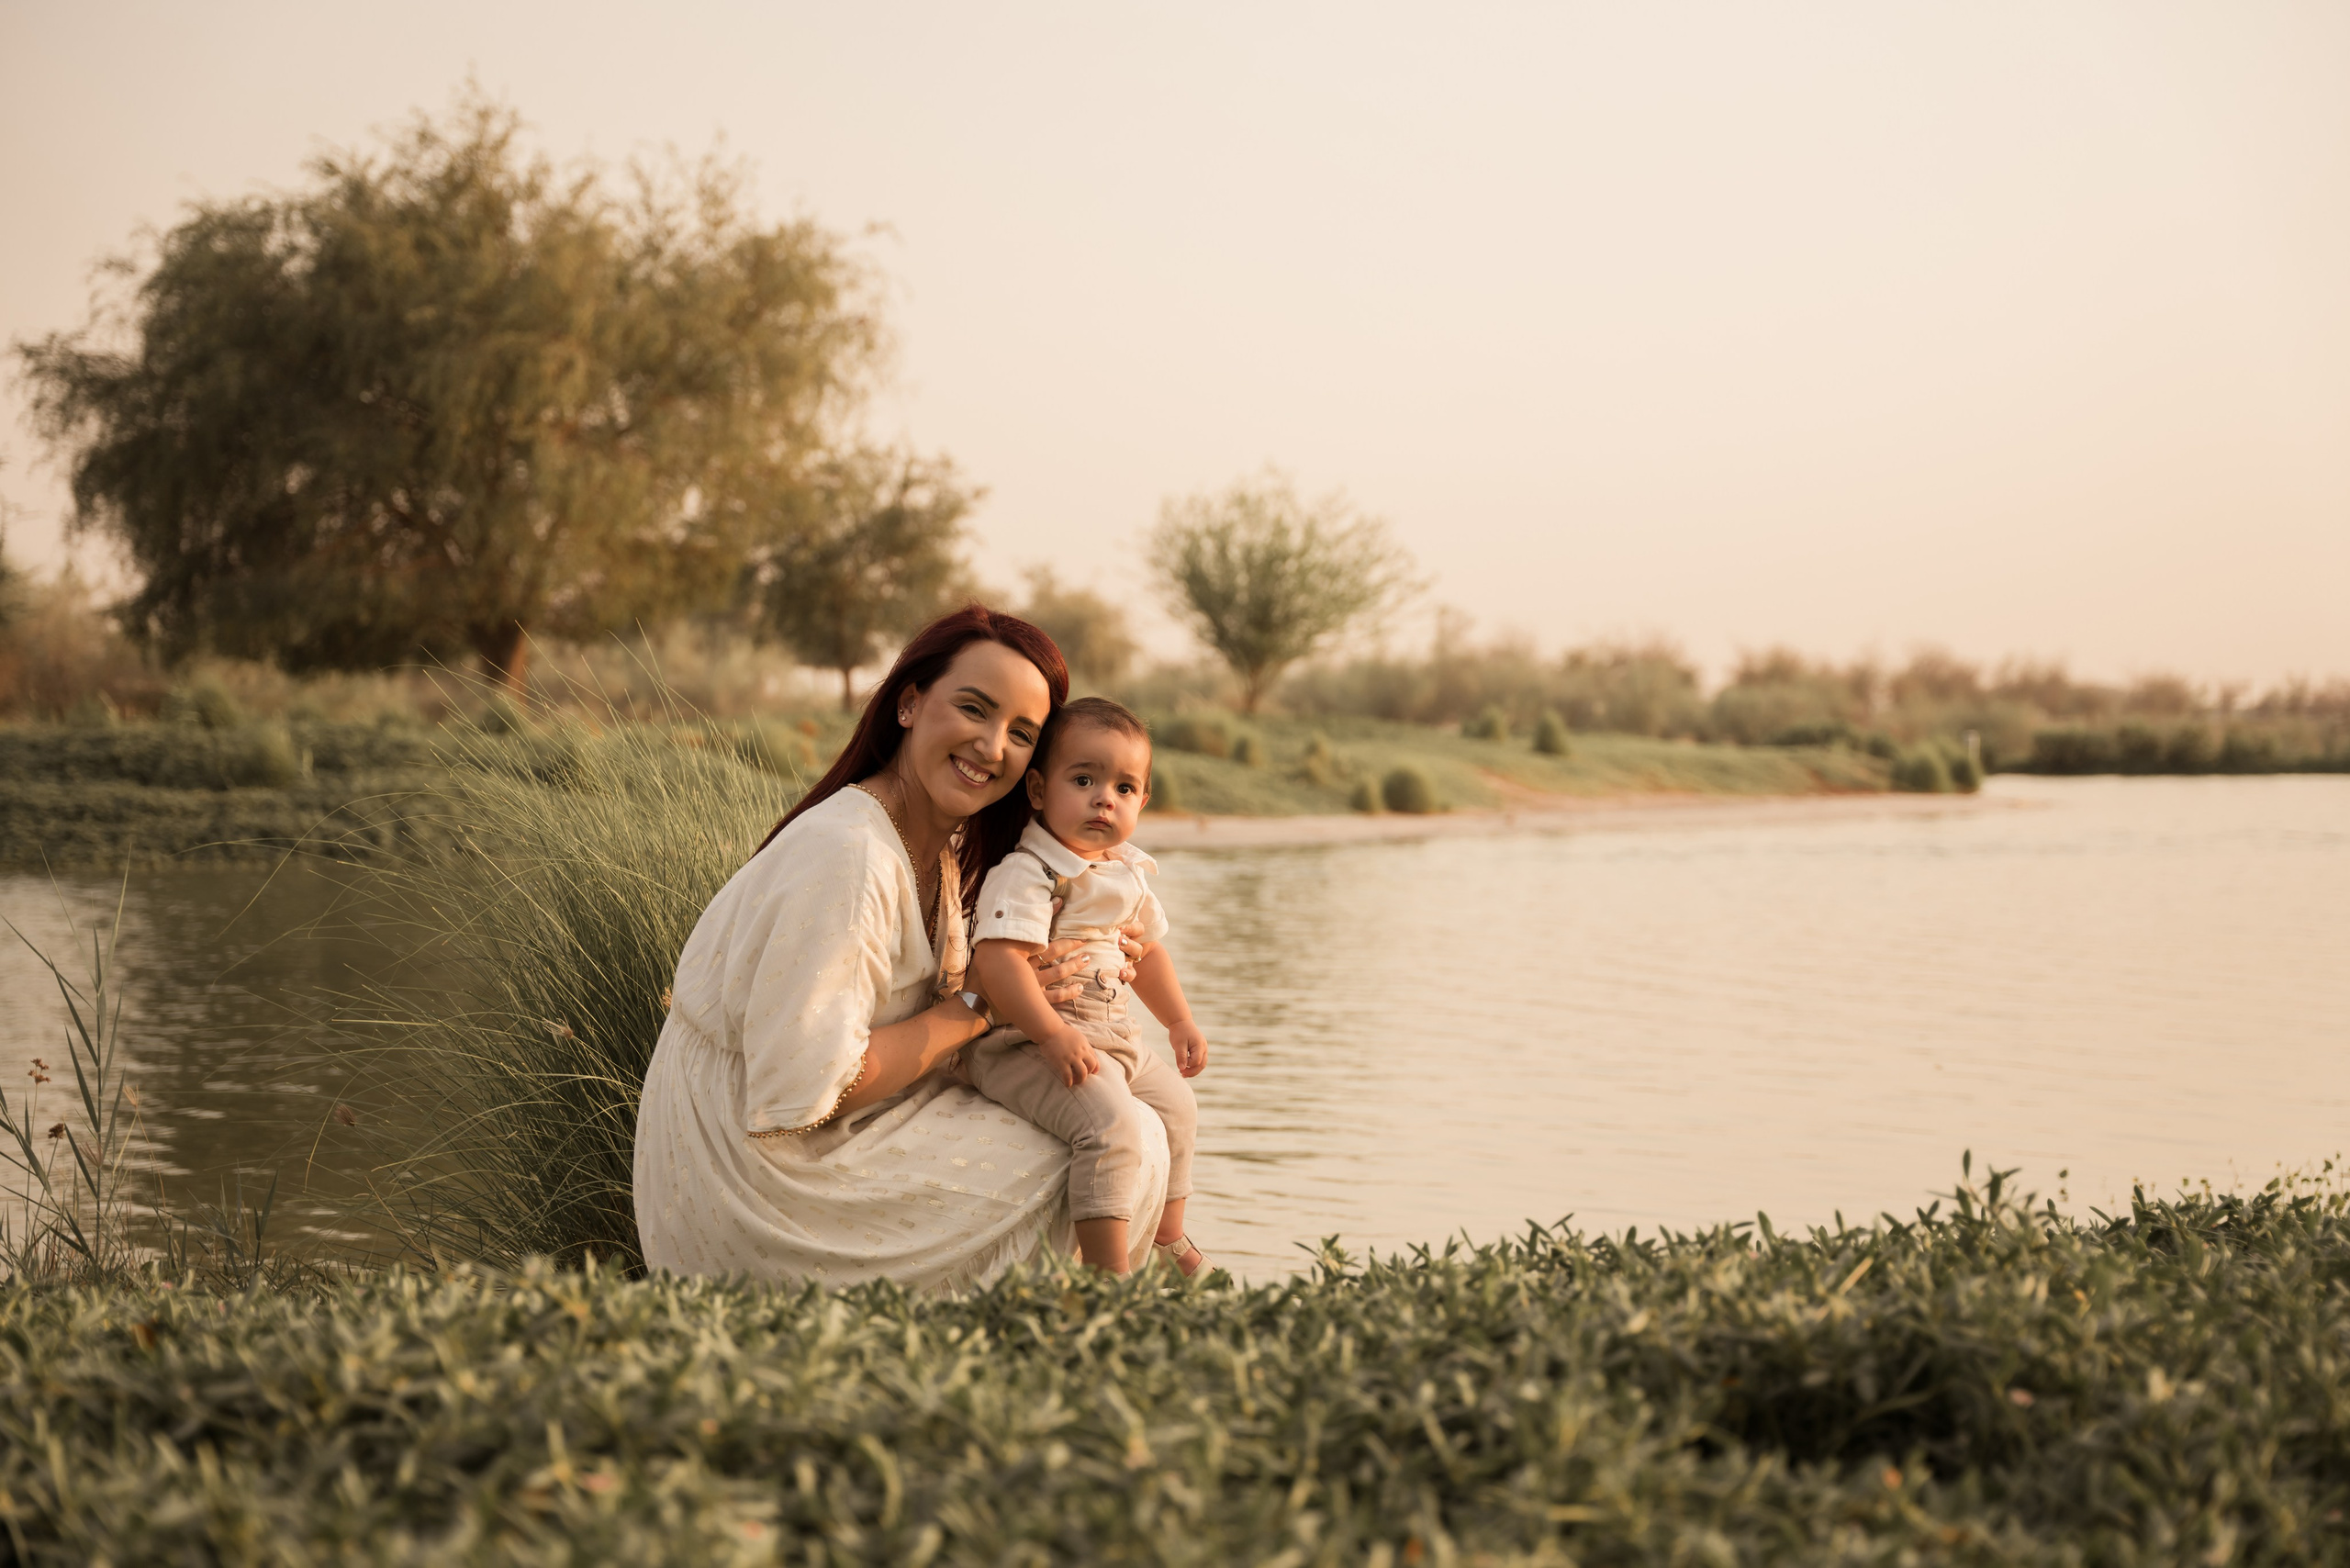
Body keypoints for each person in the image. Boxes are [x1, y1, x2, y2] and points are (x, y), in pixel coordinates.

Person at [632, 606, 1163, 1289]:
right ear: (910, 703)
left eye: (1022, 734)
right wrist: (981, 1002)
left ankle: (1076, 1327)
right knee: (1117, 1142)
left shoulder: (939, 846)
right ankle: (1089, 1327)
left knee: (1117, 1116)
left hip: (821, 1143)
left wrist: (1088, 951)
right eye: (974, 709)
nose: (992, 746)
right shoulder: (849, 856)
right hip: (756, 1186)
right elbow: (810, 1091)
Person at [964, 697, 1213, 1277]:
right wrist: (1050, 1035)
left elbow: (1146, 952)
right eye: (1084, 779)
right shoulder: (1029, 873)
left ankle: (1169, 1237)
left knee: (1179, 1105)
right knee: (1111, 1126)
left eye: (1125, 789)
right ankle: (1107, 1274)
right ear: (1038, 791)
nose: (1106, 798)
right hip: (1026, 1044)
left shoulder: (1124, 871)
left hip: (1114, 1035)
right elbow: (999, 963)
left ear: (1143, 802)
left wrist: (1179, 1020)